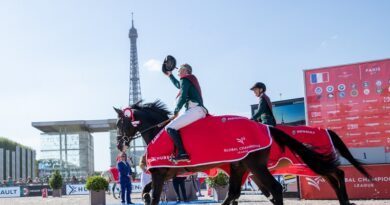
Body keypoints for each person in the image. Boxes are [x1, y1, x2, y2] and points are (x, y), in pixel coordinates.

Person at [164, 63, 208, 162]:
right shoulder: (188, 80)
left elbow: (183, 96)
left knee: (169, 127)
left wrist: (176, 111)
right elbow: (178, 85)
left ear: (185, 70)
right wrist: (170, 75)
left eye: (179, 69)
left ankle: (182, 153)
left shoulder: (185, 79)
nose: (178, 70)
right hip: (197, 110)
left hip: (195, 110)